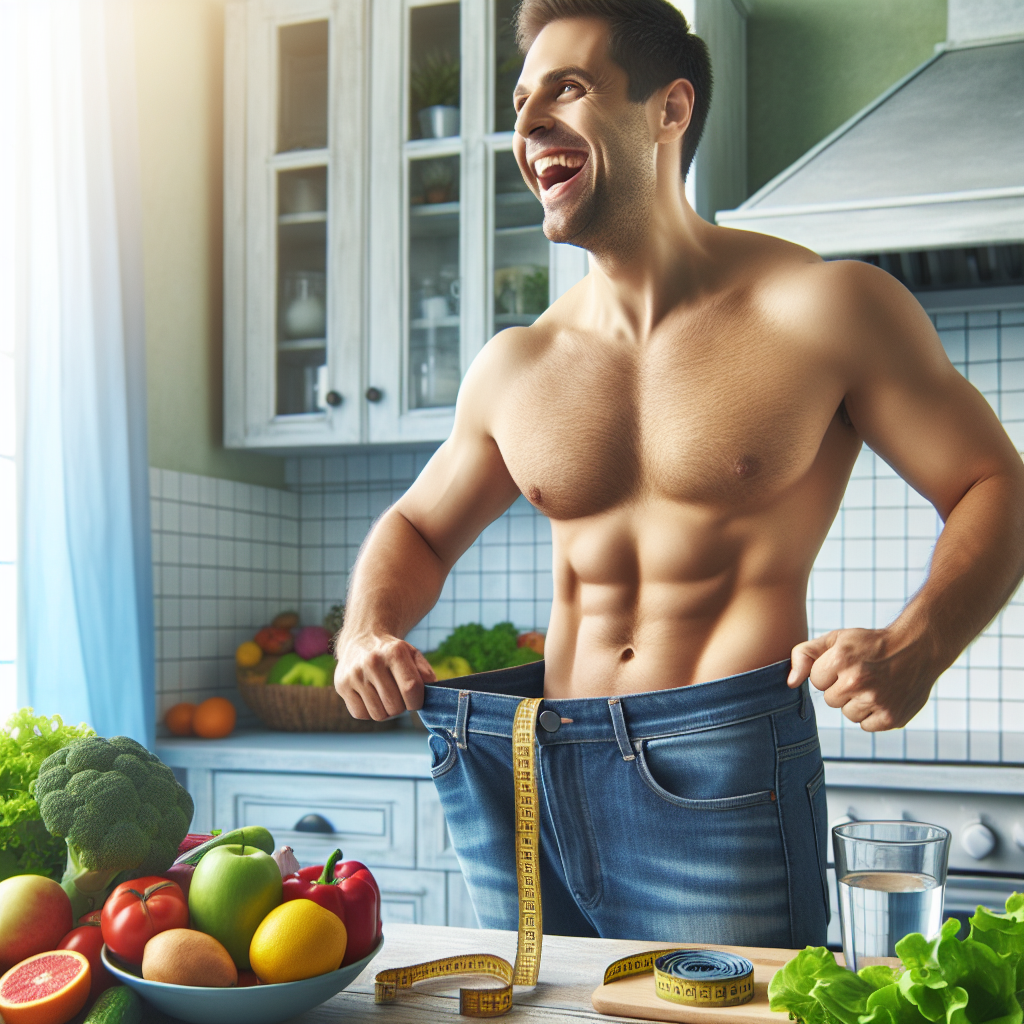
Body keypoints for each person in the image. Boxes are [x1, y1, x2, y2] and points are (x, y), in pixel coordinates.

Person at [335, 0, 1024, 947]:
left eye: (567, 90)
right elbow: (416, 528)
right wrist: (366, 631)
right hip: (524, 764)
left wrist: (921, 642)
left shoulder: (822, 308)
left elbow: (993, 482)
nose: (529, 123)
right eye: (521, 100)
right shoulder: (515, 364)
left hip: (721, 772)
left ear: (669, 109)